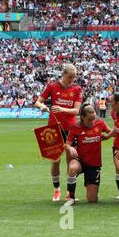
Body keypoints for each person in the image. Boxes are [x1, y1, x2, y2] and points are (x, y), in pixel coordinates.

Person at [35, 64, 82, 202]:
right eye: (69, 77)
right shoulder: (52, 86)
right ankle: (56, 190)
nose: (72, 80)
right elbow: (38, 102)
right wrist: (43, 106)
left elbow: (76, 111)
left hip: (71, 129)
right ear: (63, 75)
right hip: (54, 128)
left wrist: (61, 109)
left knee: (70, 160)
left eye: (74, 77)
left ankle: (69, 192)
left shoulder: (77, 89)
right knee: (55, 160)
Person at [64, 104, 112, 206]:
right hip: (79, 160)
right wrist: (70, 147)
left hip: (94, 163)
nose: (92, 122)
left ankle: (93, 190)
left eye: (93, 119)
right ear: (83, 117)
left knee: (92, 199)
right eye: (89, 119)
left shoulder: (100, 123)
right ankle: (71, 197)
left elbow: (111, 131)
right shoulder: (75, 127)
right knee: (72, 168)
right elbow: (66, 144)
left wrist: (108, 136)